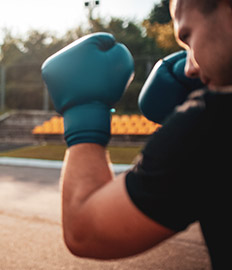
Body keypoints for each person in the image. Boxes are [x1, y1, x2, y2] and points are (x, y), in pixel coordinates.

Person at [41, 0, 232, 269]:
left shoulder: (211, 124)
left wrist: (83, 109)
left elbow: (84, 231)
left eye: (188, 37)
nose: (190, 68)